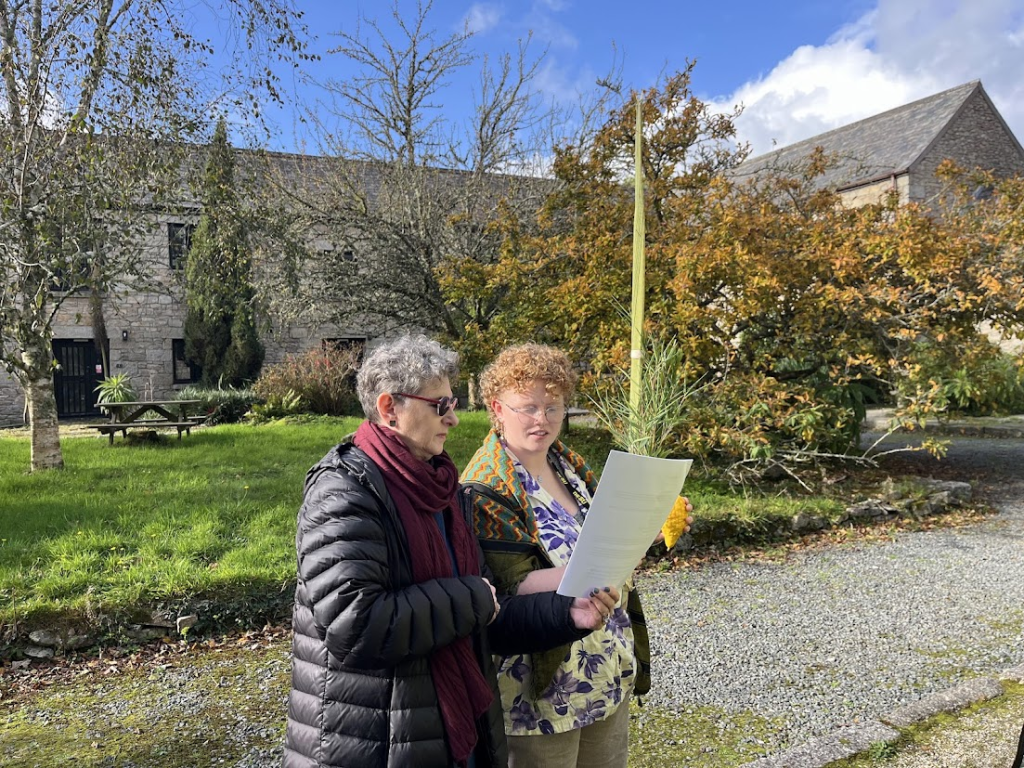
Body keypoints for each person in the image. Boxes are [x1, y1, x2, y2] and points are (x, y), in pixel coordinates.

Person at [283, 335, 618, 768]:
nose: (454, 419)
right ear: (389, 408)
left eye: (452, 404)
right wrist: (469, 597)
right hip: (374, 740)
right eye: (439, 406)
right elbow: (355, 624)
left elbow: (489, 614)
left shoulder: (442, 489)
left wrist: (566, 614)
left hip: (444, 729)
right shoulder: (343, 491)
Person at [462, 343, 692, 768]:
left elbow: (607, 538)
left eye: (553, 407)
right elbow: (511, 586)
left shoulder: (567, 464)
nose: (542, 419)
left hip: (604, 667)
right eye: (528, 407)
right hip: (542, 688)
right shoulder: (485, 487)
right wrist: (597, 569)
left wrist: (651, 527)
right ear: (497, 408)